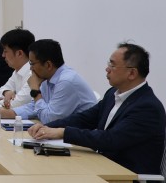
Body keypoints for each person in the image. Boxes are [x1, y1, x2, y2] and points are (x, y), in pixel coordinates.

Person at [29, 43, 165, 174]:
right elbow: (84, 119)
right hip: (102, 165)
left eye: (112, 65)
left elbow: (111, 139)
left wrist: (63, 133)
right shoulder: (112, 93)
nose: (107, 69)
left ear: (132, 73)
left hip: (128, 175)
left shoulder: (147, 107)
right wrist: (47, 127)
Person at [0, 38, 96, 124]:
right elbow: (34, 106)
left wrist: (35, 91)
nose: (30, 68)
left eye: (32, 64)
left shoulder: (66, 82)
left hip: (81, 134)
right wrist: (3, 113)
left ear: (48, 65)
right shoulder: (47, 78)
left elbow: (49, 120)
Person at [0, 28, 35, 109]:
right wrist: (6, 92)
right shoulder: (17, 71)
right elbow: (1, 90)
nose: (3, 55)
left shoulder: (32, 73)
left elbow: (17, 104)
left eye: (5, 51)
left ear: (19, 53)